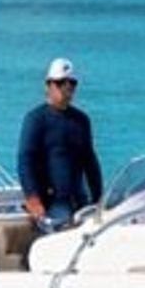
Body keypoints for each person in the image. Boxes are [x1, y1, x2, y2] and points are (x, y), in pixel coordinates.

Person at [17, 57, 103, 233]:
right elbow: (25, 160)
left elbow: (90, 161)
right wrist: (33, 199)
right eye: (60, 83)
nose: (67, 88)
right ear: (48, 85)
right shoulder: (36, 119)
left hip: (79, 202)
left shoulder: (81, 120)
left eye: (71, 83)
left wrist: (99, 198)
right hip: (51, 204)